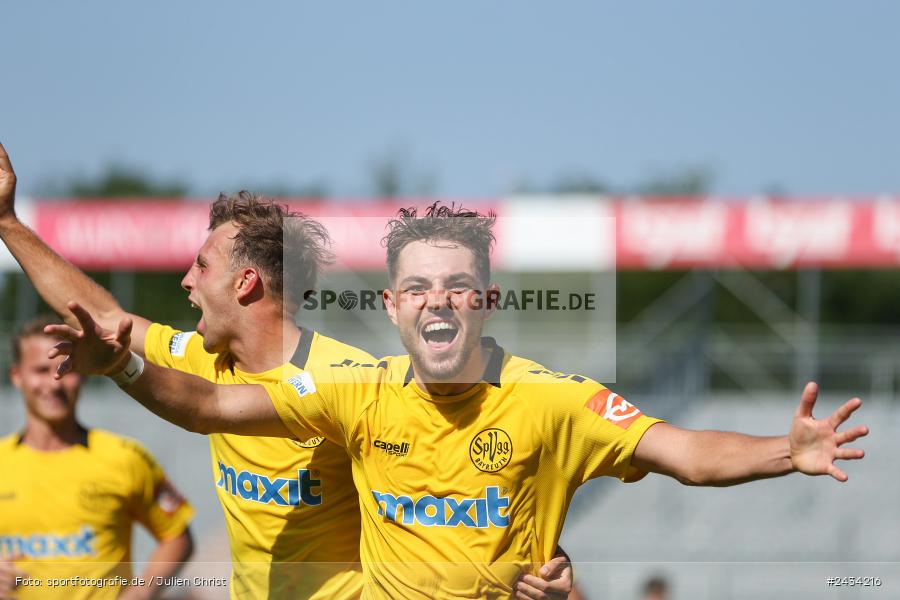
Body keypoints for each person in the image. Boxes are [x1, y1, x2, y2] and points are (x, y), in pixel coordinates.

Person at [45, 203, 869, 599]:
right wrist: (118, 366)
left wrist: (783, 452)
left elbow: (684, 452)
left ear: (484, 300)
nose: (437, 303)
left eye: (456, 287)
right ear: (396, 308)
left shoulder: (554, 401)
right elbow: (212, 409)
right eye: (416, 289)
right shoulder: (356, 394)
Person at [0, 143, 573, 600]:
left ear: (246, 283)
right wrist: (7, 222)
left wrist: (535, 559)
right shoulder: (202, 359)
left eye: (201, 265)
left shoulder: (352, 382)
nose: (186, 282)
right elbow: (107, 318)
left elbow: (454, 472)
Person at [0, 317, 194, 600]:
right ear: (17, 376)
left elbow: (177, 535)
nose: (54, 384)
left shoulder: (125, 457)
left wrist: (140, 593)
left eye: (64, 370)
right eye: (41, 370)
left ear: (82, 374)